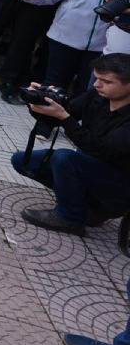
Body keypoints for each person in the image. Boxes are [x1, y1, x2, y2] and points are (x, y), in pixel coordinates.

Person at [10, 54, 130, 237]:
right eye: (97, 78)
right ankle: (85, 207)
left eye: (106, 81)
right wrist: (40, 101)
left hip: (120, 185)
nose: (97, 85)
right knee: (23, 161)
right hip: (92, 167)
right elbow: (64, 114)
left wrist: (64, 117)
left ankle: (71, 218)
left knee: (64, 158)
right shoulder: (97, 96)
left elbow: (103, 150)